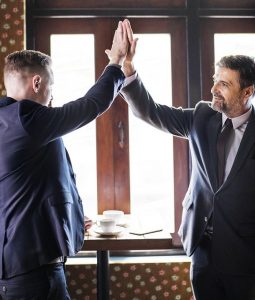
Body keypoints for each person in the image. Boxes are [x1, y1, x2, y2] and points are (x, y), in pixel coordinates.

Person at [119, 19, 255, 300]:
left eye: (225, 84)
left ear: (247, 92)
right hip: (202, 248)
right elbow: (150, 112)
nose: (215, 88)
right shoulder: (201, 116)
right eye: (215, 80)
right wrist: (128, 70)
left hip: (246, 256)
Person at [0, 20, 128, 299]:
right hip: (34, 273)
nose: (52, 95)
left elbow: (22, 190)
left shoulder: (7, 121)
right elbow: (91, 105)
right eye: (50, 85)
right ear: (37, 82)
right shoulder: (28, 120)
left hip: (16, 265)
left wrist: (66, 216)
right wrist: (117, 62)